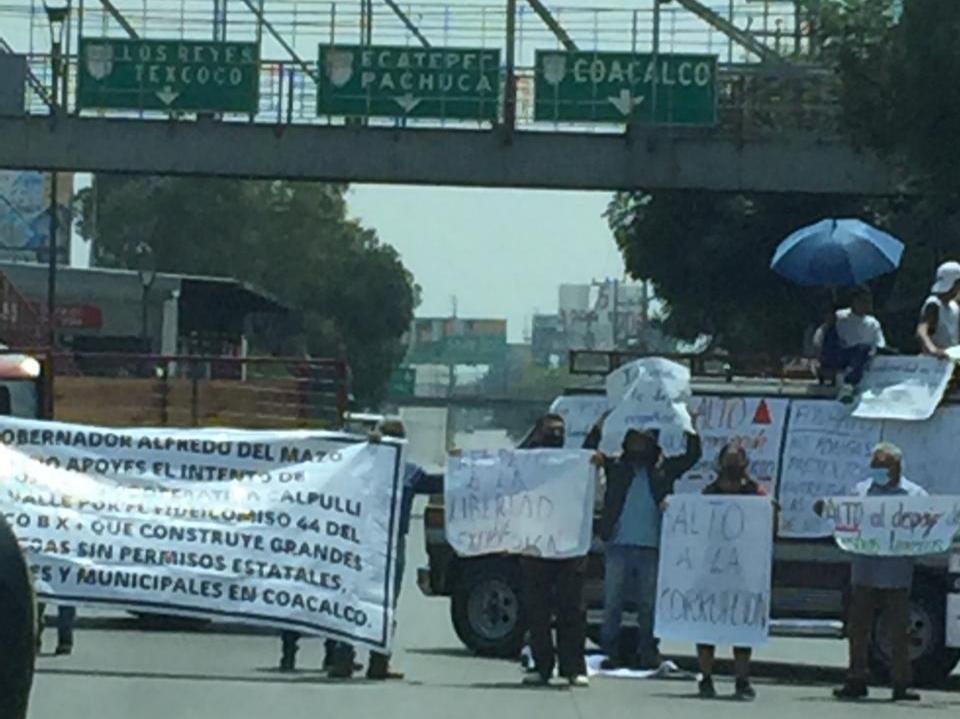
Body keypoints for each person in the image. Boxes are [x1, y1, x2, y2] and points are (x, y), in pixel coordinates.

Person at [326, 419, 442, 680]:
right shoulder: (402, 471)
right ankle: (371, 662)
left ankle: (351, 660)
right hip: (378, 543)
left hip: (366, 542)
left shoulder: (366, 469)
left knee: (356, 597)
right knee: (384, 602)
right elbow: (440, 484)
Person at [818, 443, 925, 702]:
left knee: (899, 631)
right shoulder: (861, 491)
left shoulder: (915, 495)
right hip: (864, 571)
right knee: (858, 630)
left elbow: (926, 526)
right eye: (875, 467)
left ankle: (901, 684)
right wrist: (828, 509)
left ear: (896, 467)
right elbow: (845, 519)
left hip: (896, 573)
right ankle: (856, 679)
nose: (878, 472)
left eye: (883, 467)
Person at [598, 427, 701, 670]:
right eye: (633, 440)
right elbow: (587, 453)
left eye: (643, 441)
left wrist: (689, 428)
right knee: (612, 603)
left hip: (652, 547)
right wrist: (600, 426)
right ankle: (609, 652)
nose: (638, 446)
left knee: (649, 605)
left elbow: (692, 456)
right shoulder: (616, 467)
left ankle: (648, 651)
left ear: (652, 444)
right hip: (617, 545)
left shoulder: (663, 470)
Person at [520, 413, 591, 688]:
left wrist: (596, 460)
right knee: (537, 611)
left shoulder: (574, 462)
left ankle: (573, 668)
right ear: (537, 433)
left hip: (568, 549)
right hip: (534, 548)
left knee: (572, 610)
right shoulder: (523, 462)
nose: (557, 436)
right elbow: (496, 472)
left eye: (561, 431)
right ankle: (542, 666)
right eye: (551, 431)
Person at [695, 444, 768, 701]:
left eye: (737, 461)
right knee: (707, 626)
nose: (733, 466)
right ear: (720, 462)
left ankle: (742, 680)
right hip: (712, 568)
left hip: (744, 570)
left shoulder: (755, 493)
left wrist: (773, 511)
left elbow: (771, 524)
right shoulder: (709, 492)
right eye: (729, 461)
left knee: (742, 625)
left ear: (745, 464)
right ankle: (705, 678)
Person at [813, 286, 886, 390]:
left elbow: (880, 345)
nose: (863, 304)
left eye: (866, 301)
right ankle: (833, 372)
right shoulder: (839, 316)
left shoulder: (873, 323)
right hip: (840, 354)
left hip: (861, 358)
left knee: (861, 350)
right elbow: (822, 334)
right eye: (860, 300)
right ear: (853, 301)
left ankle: (845, 377)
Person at [917, 261, 960, 356]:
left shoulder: (954, 306)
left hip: (951, 360)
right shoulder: (933, 304)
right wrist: (933, 350)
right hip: (933, 363)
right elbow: (922, 331)